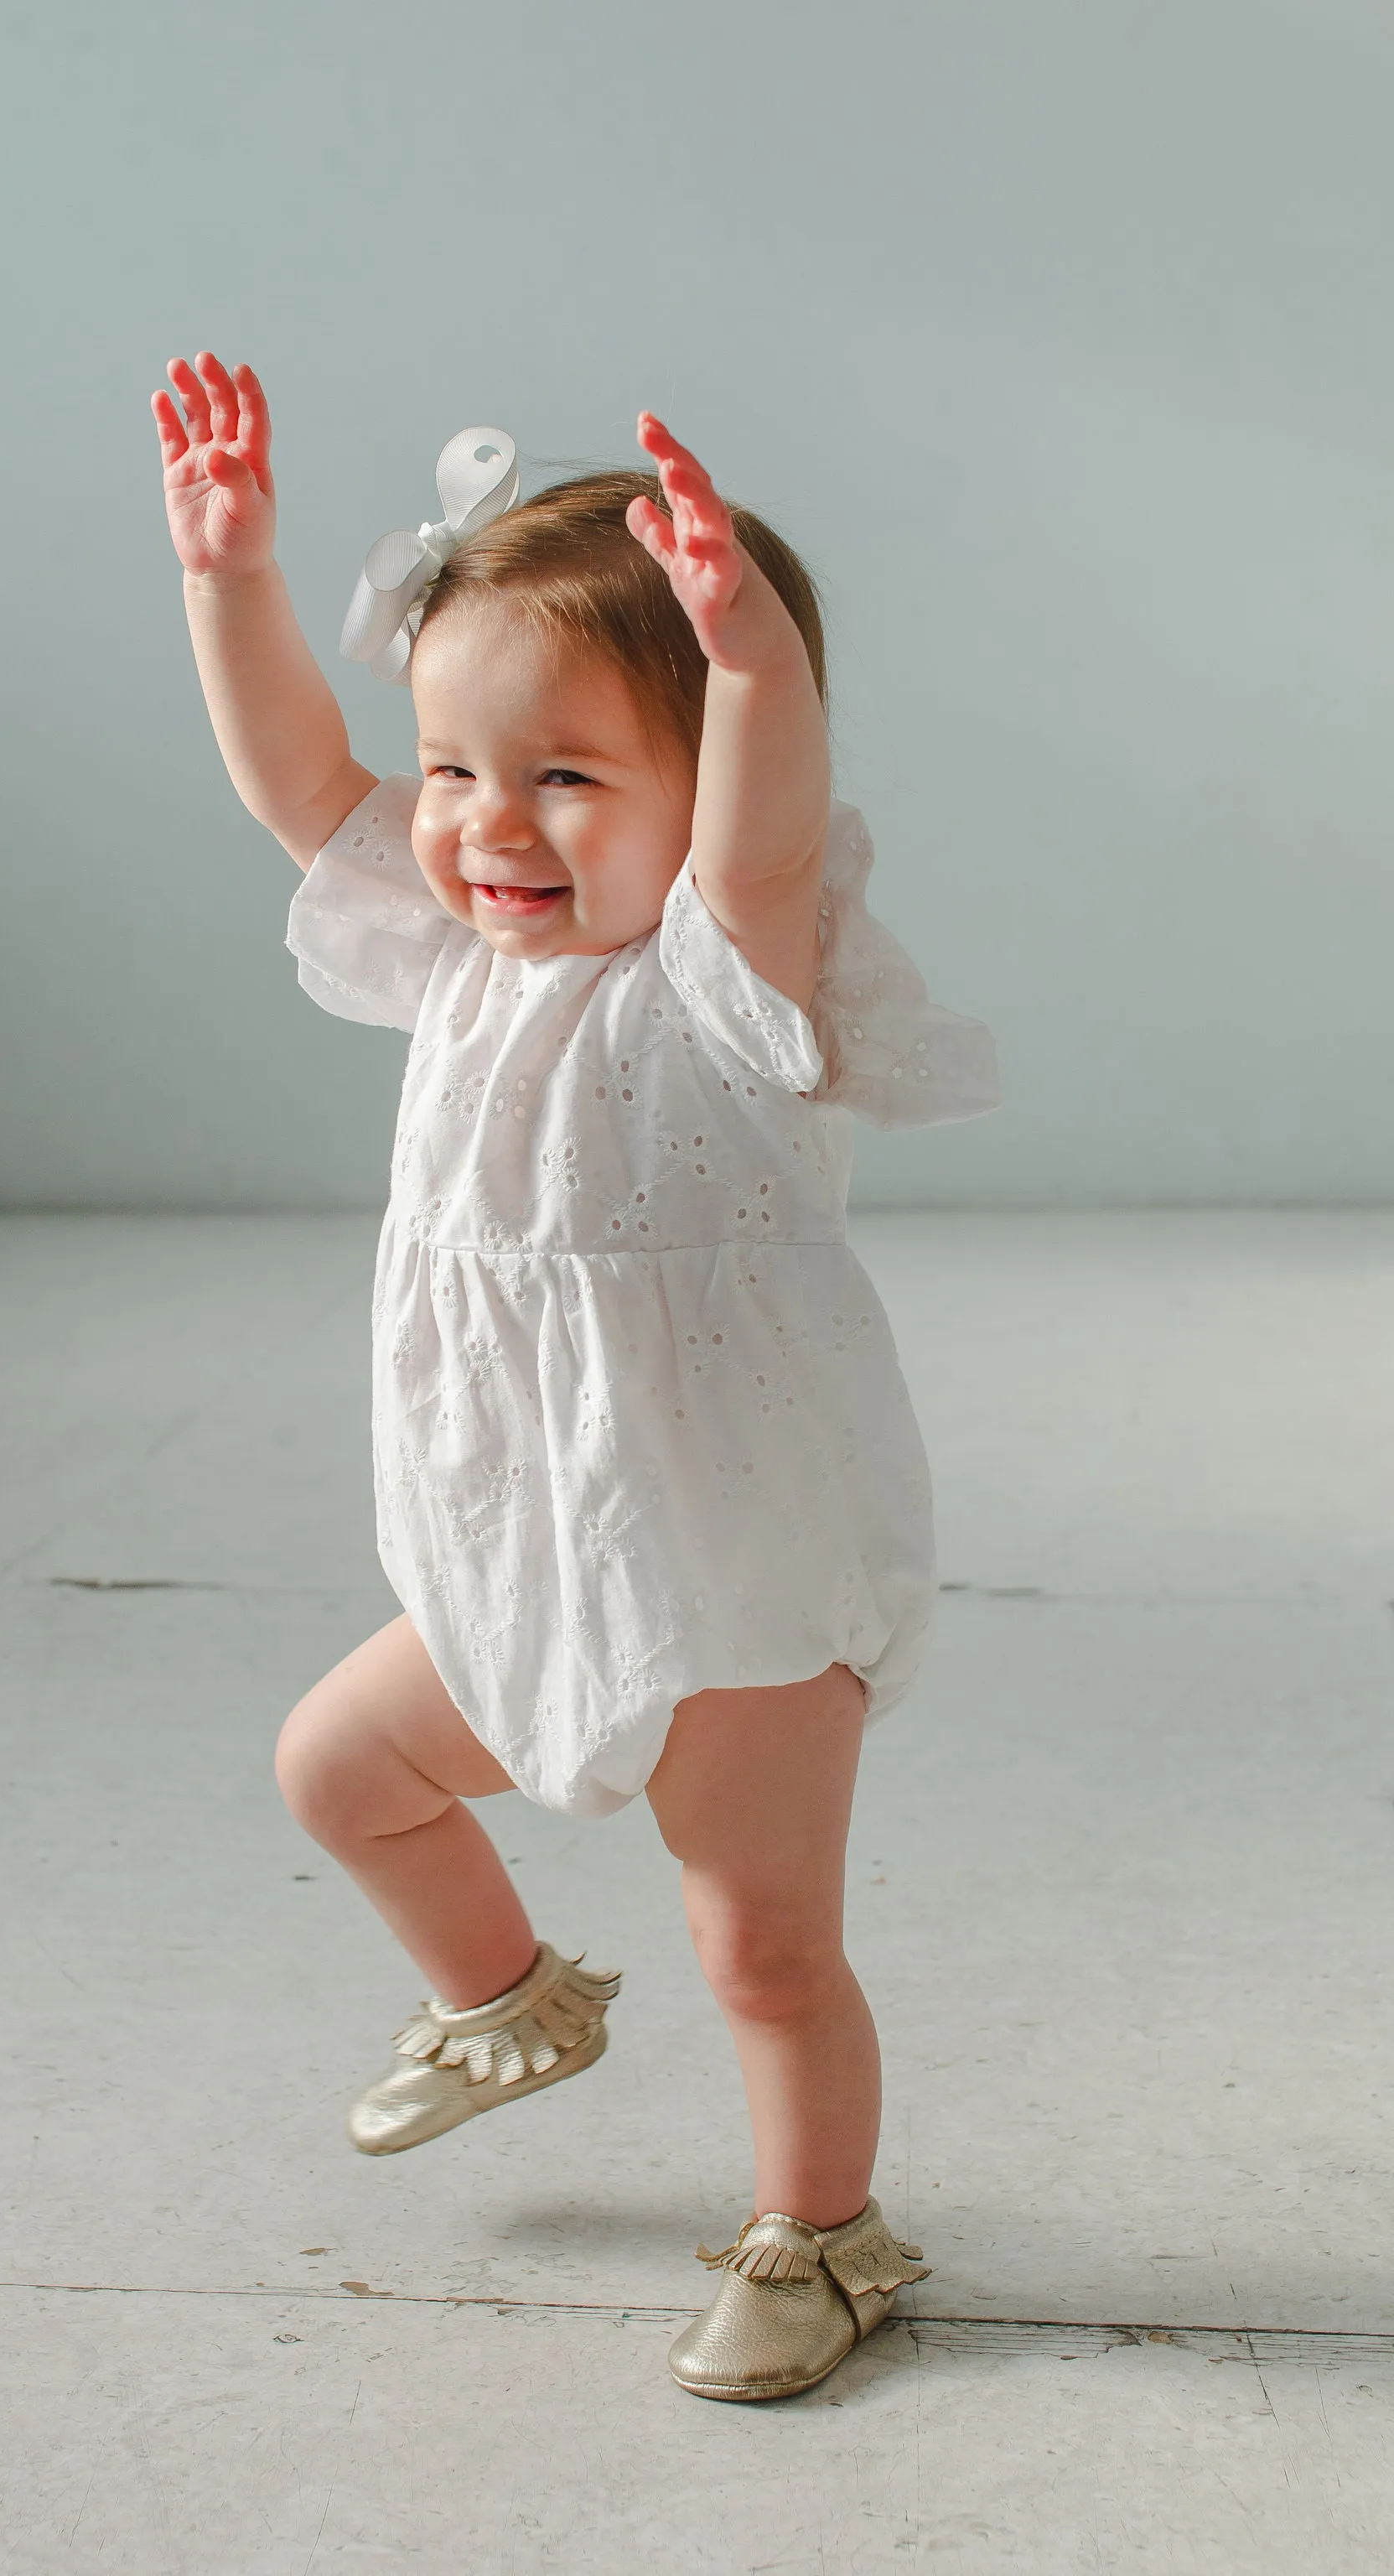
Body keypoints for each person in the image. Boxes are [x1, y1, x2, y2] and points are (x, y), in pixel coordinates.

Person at [151, 351, 999, 2401]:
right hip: (517, 1542)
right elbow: (291, 780)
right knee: (338, 1769)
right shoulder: (457, 954)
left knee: (765, 1951)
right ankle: (513, 1999)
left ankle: (823, 2236)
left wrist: (750, 658)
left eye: (566, 776)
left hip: (735, 1586)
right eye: (453, 769)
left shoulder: (720, 983)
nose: (481, 827)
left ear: (698, 793)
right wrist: (234, 573)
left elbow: (771, 832)